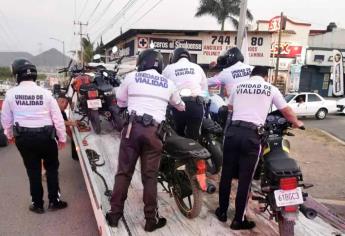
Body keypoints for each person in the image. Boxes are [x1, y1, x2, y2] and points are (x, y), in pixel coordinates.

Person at [105, 49, 185, 232]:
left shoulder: (132, 77)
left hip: (132, 129)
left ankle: (114, 216)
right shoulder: (169, 83)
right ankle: (151, 220)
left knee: (124, 173)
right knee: (150, 177)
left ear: (142, 63)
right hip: (155, 132)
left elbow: (120, 101)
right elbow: (180, 105)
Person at [215, 66, 304, 230]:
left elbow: (230, 108)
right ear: (265, 76)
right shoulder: (270, 88)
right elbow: (286, 110)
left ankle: (221, 211)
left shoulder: (238, 86)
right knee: (245, 180)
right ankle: (238, 220)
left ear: (251, 75)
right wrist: (297, 122)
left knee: (226, 174)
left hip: (233, 133)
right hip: (252, 136)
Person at [1, 59, 68, 214]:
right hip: (46, 137)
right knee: (51, 169)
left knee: (33, 171)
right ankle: (54, 201)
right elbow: (57, 117)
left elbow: (6, 119)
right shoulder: (46, 94)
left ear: (17, 75)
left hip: (24, 139)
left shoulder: (11, 95)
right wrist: (62, 138)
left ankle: (37, 204)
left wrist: (9, 135)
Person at [162, 47, 208, 140]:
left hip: (177, 106)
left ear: (174, 58)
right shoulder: (197, 68)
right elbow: (205, 90)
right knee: (194, 136)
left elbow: (162, 88)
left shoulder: (169, 68)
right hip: (196, 105)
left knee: (177, 136)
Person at [57, 93, 78, 161]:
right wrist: (72, 123)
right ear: (61, 101)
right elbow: (59, 122)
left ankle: (75, 155)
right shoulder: (54, 109)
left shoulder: (62, 111)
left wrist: (74, 138)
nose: (66, 106)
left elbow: (67, 127)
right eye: (66, 104)